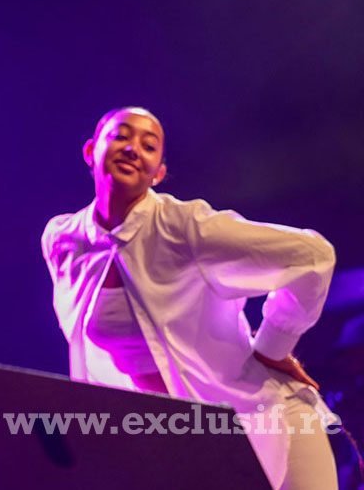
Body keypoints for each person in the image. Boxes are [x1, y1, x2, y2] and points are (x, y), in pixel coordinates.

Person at [41, 106, 337, 489]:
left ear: (158, 173)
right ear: (91, 150)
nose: (133, 149)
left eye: (149, 146)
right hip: (178, 434)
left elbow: (313, 256)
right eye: (121, 136)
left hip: (265, 413)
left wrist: (273, 347)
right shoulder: (63, 240)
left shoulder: (184, 227)